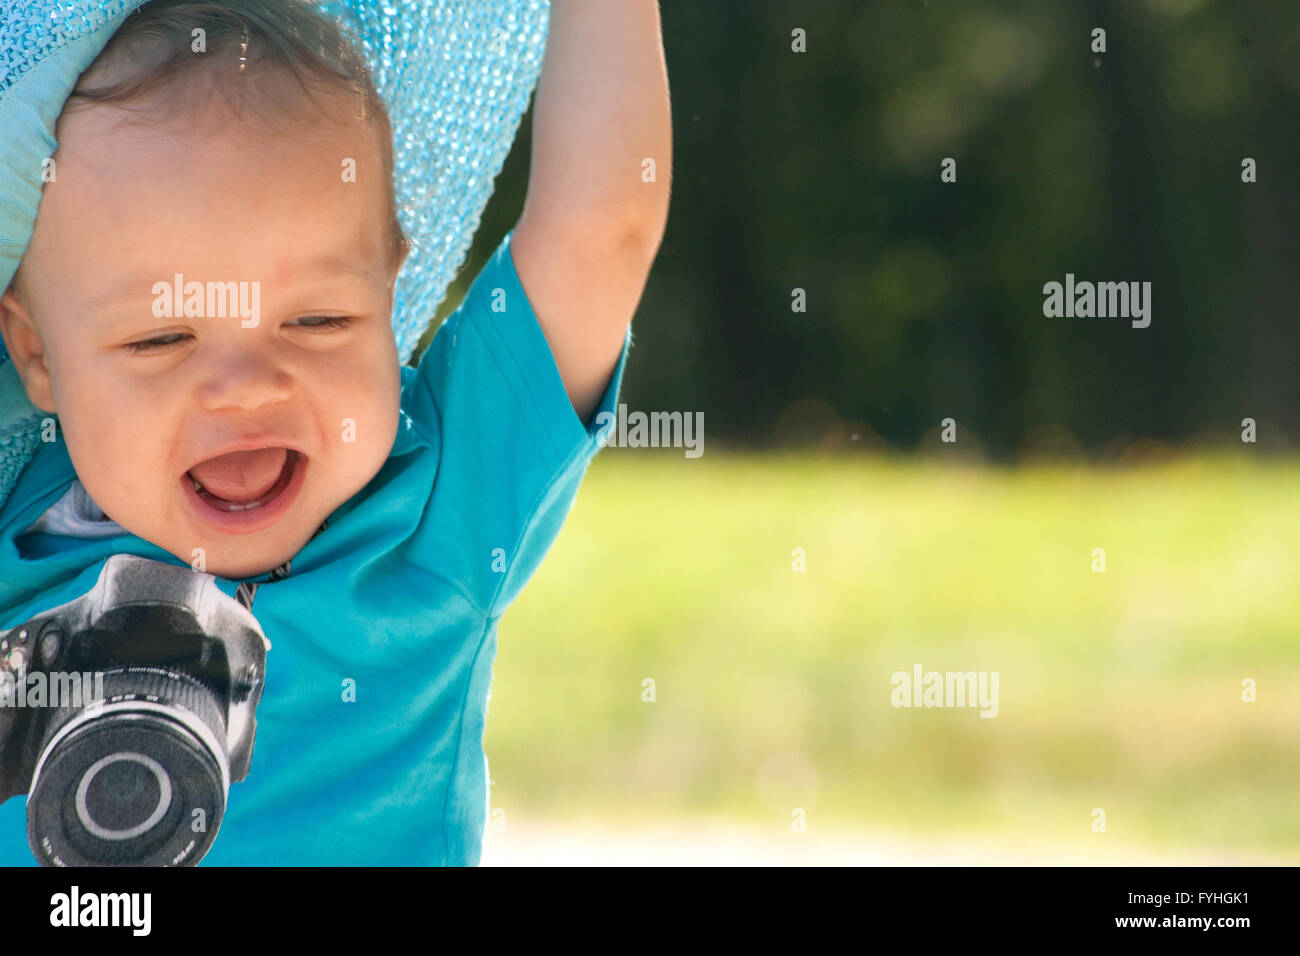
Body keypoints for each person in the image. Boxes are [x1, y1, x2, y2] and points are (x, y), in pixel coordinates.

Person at [0, 0, 671, 865]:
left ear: (391, 292)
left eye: (317, 320)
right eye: (162, 337)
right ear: (35, 353)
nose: (245, 390)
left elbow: (599, 230)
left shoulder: (435, 511)